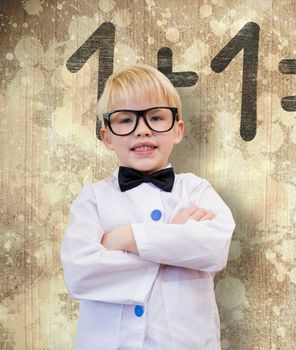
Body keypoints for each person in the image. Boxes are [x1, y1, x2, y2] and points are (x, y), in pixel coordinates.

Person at [60, 63, 235, 350]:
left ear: (177, 131)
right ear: (107, 136)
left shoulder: (196, 190)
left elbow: (214, 248)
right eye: (126, 120)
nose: (142, 131)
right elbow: (80, 273)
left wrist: (127, 237)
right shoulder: (92, 198)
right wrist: (173, 240)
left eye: (155, 117)